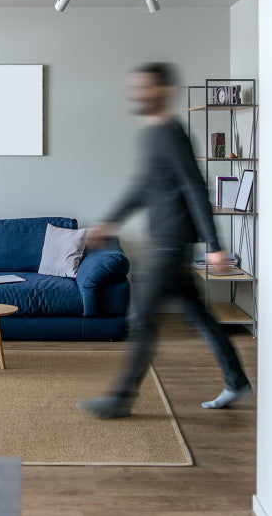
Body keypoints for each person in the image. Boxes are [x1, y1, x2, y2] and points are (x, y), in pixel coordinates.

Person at [79, 62, 251, 419]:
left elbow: (194, 187)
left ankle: (121, 399)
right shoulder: (152, 133)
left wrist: (214, 244)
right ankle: (236, 380)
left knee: (142, 320)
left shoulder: (170, 132)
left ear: (161, 91)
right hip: (167, 240)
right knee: (198, 315)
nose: (136, 94)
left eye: (143, 87)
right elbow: (144, 186)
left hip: (170, 243)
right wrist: (111, 220)